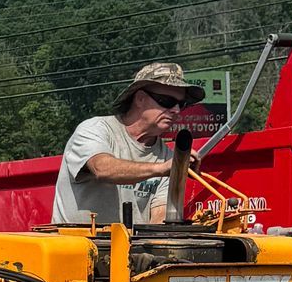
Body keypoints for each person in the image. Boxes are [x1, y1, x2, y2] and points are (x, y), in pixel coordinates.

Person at [52, 61, 206, 227]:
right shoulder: (94, 130)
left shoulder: (167, 159)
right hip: (76, 248)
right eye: (167, 101)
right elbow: (102, 168)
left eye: (181, 104)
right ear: (139, 98)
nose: (176, 110)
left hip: (128, 251)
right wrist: (160, 169)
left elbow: (160, 216)